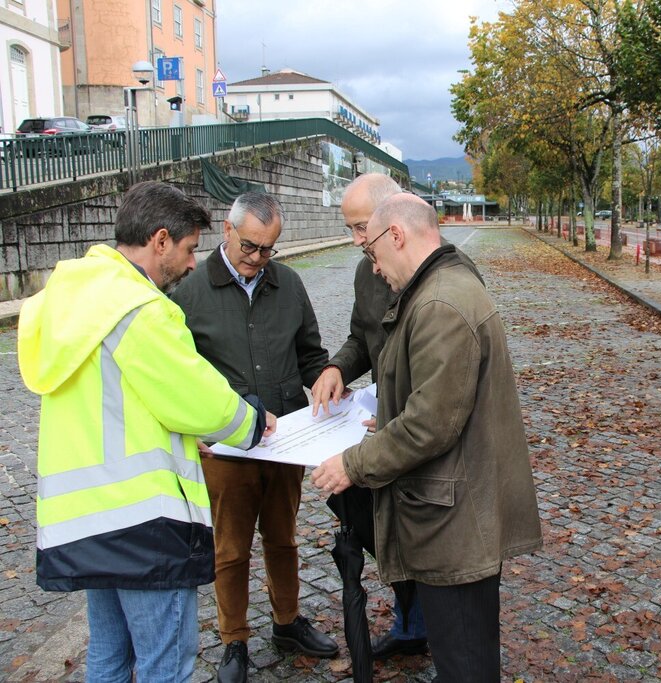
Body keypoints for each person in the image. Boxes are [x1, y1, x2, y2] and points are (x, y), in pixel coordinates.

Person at [17, 181, 275, 683]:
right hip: (142, 526)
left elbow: (117, 399)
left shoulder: (72, 297)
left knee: (109, 658)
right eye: (188, 249)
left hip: (84, 520)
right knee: (165, 665)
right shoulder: (139, 307)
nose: (192, 263)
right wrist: (250, 422)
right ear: (160, 241)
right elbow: (192, 394)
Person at [311, 194, 543, 682]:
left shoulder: (439, 303)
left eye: (373, 252)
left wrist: (351, 464)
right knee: (462, 653)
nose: (374, 268)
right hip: (454, 511)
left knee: (465, 662)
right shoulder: (439, 288)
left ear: (396, 236)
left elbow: (430, 423)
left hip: (456, 522)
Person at [171, 192, 338, 681]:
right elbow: (176, 375)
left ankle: (287, 622)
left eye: (268, 249)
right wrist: (189, 428)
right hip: (225, 448)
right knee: (230, 548)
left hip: (286, 441)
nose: (258, 258)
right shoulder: (189, 292)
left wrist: (329, 379)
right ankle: (234, 641)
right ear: (227, 230)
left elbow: (310, 354)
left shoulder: (289, 284)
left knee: (283, 538)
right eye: (250, 246)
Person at [310, 173, 430, 660]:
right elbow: (362, 337)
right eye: (351, 229)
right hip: (378, 422)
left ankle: (429, 624)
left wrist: (403, 413)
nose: (357, 240)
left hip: (416, 429)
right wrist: (338, 367)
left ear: (390, 220)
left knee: (422, 530)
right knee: (369, 515)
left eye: (362, 228)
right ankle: (411, 620)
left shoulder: (434, 274)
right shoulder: (366, 272)